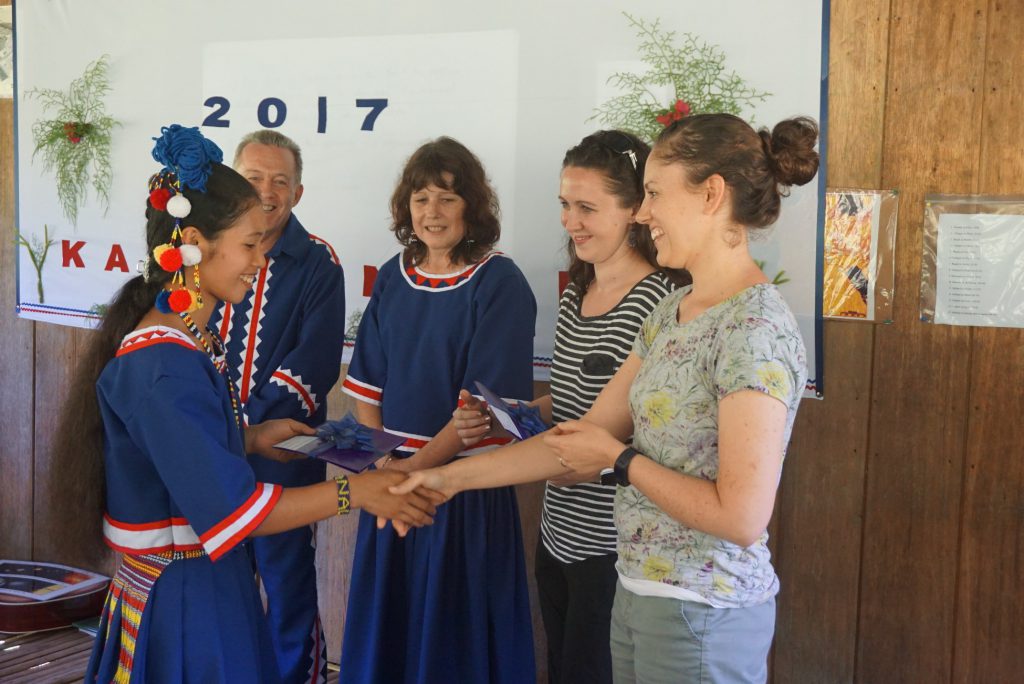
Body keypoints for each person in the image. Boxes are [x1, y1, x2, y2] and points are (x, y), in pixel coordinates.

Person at [394, 113, 819, 683]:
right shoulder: (674, 311)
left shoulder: (754, 326)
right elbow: (579, 439)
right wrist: (443, 480)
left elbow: (741, 516)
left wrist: (620, 460)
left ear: (712, 195)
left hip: (704, 609)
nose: (644, 214)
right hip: (635, 588)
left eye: (653, 194)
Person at [54, 124, 440, 683]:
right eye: (249, 245)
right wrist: (357, 491)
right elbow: (230, 511)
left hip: (196, 585)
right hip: (185, 602)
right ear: (193, 248)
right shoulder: (163, 366)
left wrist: (251, 438)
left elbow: (174, 455)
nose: (259, 261)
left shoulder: (177, 343)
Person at [453, 130, 684, 684]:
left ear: (635, 210)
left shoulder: (661, 302)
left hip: (616, 547)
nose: (570, 221)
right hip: (558, 534)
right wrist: (508, 414)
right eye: (564, 205)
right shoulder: (576, 292)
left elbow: (600, 432)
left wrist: (450, 477)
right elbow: (576, 400)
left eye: (587, 207)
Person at [339, 137, 538, 683]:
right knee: (392, 630)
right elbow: (365, 387)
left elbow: (483, 414)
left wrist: (415, 472)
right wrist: (384, 467)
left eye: (447, 198)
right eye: (421, 198)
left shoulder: (499, 282)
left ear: (471, 206)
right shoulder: (393, 275)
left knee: (451, 637)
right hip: (395, 479)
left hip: (460, 485)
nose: (432, 212)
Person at [208, 129, 345, 684]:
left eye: (280, 180)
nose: (267, 190)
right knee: (222, 584)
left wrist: (241, 427)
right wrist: (212, 429)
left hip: (283, 455)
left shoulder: (318, 264)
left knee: (287, 585)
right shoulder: (206, 252)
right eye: (254, 177)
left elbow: (310, 370)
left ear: (298, 192)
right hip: (213, 452)